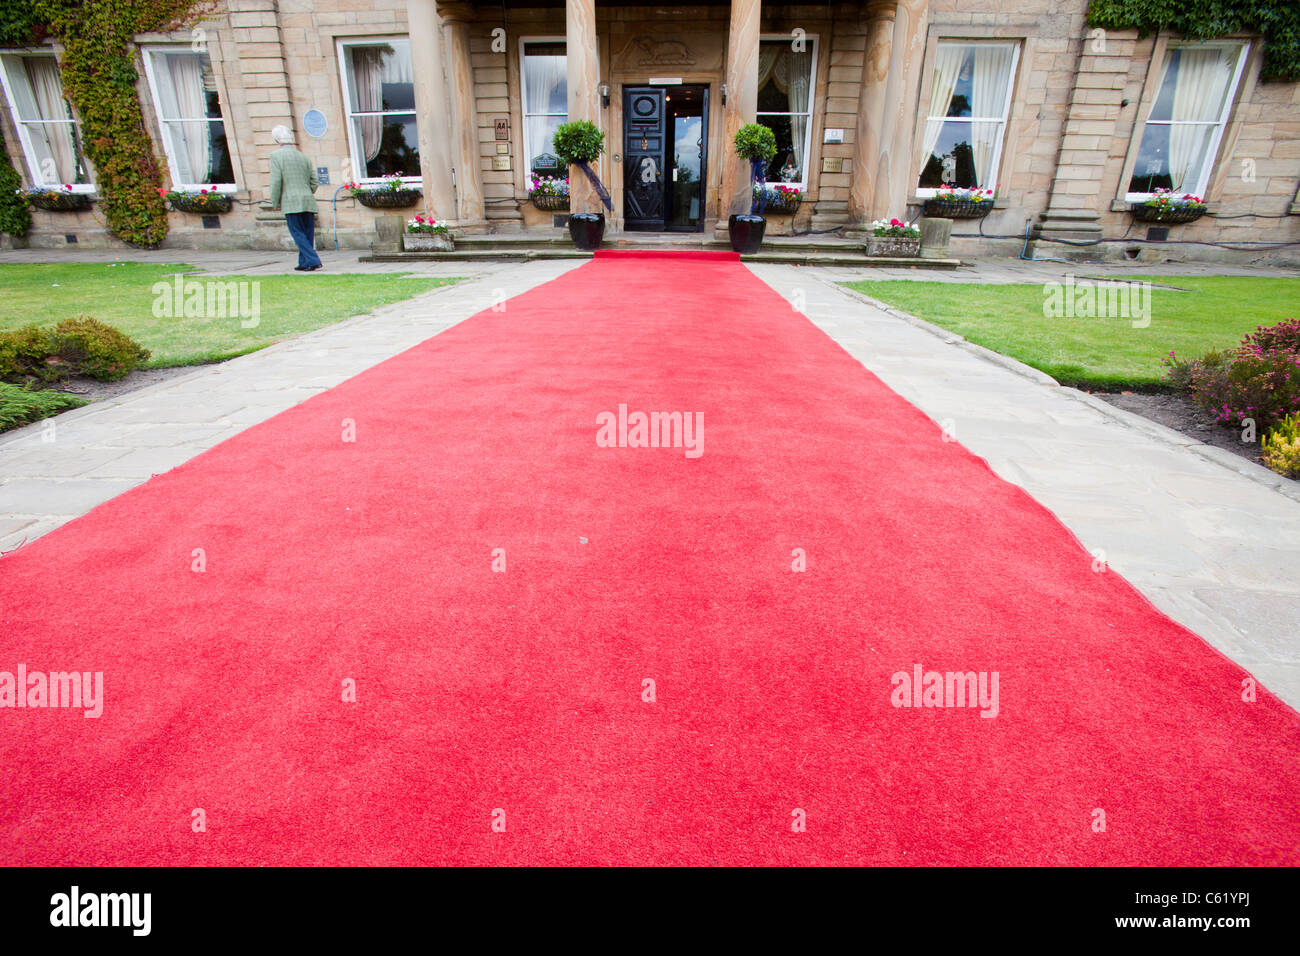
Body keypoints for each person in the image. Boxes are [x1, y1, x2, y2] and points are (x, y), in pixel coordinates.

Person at [268, 124, 322, 271]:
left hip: (290, 200)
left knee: (297, 233)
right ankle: (304, 262)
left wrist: (275, 201)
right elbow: (314, 182)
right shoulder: (303, 156)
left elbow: (276, 181)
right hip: (307, 199)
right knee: (307, 233)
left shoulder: (275, 156)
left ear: (276, 140)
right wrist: (306, 192)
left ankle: (312, 260)